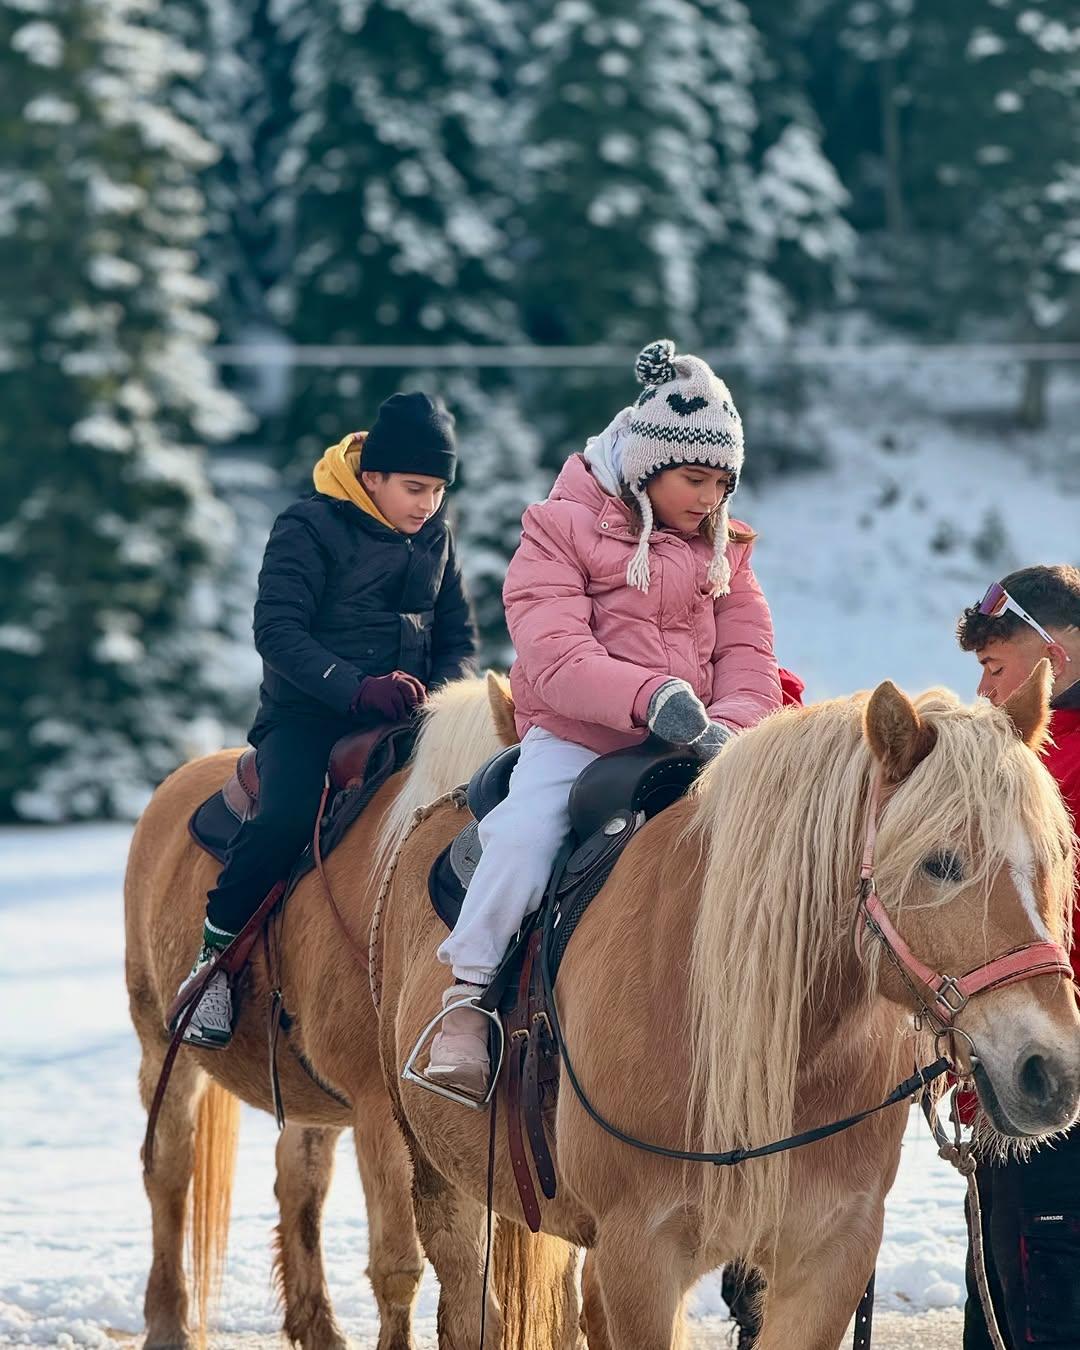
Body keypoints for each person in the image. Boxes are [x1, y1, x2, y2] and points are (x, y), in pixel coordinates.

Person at [424, 339, 783, 1096]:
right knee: (524, 832)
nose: (711, 498)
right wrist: (649, 696)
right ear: (647, 466)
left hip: (701, 741)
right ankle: (467, 999)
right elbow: (553, 651)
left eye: (724, 482)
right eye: (695, 479)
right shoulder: (557, 528)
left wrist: (737, 723)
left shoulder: (728, 548)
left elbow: (749, 649)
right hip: (579, 739)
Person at [176, 392, 477, 1048]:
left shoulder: (436, 538)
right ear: (371, 477)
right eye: (414, 487)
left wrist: (442, 698)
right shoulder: (307, 526)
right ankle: (211, 968)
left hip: (406, 714)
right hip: (308, 716)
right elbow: (276, 632)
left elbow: (456, 635)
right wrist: (355, 688)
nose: (427, 504)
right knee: (284, 815)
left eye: (437, 491)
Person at [956, 564, 1080, 1350]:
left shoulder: (1034, 766)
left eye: (995, 670)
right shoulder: (1014, 756)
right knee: (1002, 1272)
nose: (985, 694)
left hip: (1052, 1061)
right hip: (1023, 1059)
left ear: (1051, 659)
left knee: (1037, 1281)